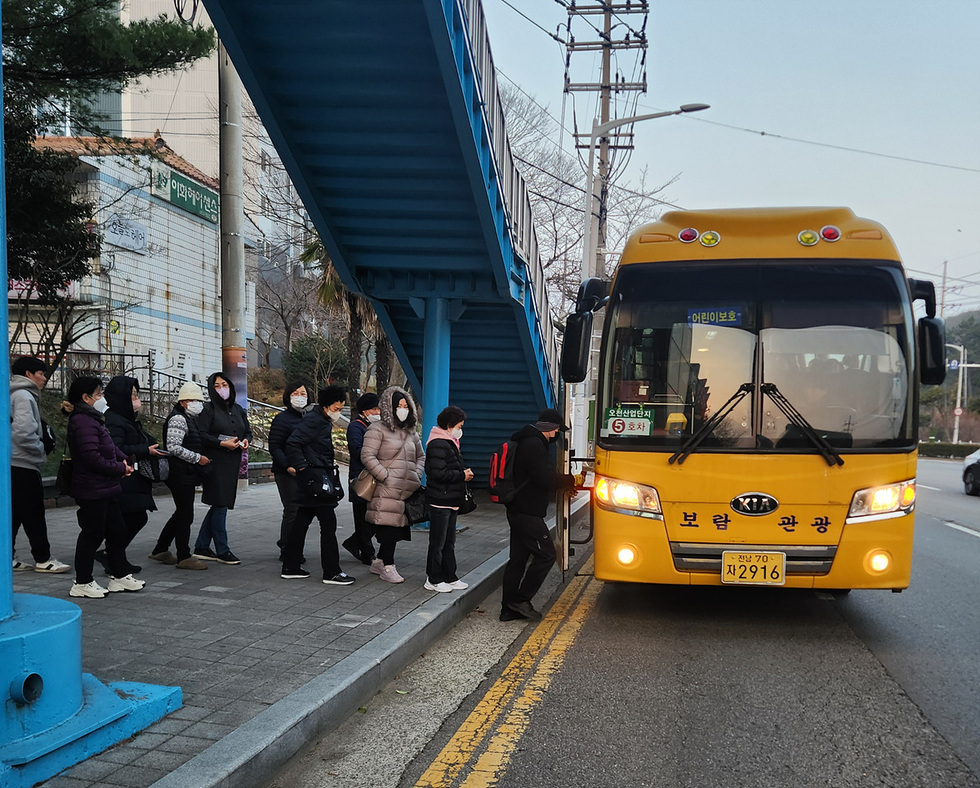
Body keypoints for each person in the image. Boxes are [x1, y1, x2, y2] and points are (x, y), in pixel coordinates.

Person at [64, 376, 144, 598]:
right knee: (92, 534)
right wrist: (120, 468)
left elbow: (109, 446)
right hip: (92, 489)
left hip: (107, 487)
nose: (102, 398)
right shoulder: (81, 420)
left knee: (116, 531)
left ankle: (119, 576)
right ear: (86, 397)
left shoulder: (94, 418)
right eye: (98, 394)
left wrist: (125, 460)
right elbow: (92, 457)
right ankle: (82, 581)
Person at [500, 407, 576, 622]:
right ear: (550, 428)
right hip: (528, 512)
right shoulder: (534, 444)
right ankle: (521, 600)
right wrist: (569, 480)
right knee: (547, 555)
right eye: (556, 431)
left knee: (518, 559)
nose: (556, 436)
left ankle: (508, 609)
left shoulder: (526, 440)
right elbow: (543, 479)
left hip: (518, 509)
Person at [281, 386, 354, 585]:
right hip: (316, 479)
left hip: (313, 479)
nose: (337, 412)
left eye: (340, 408)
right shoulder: (315, 421)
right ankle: (331, 571)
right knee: (328, 525)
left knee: (301, 522)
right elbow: (293, 443)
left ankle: (290, 565)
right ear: (325, 405)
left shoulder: (319, 420)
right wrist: (303, 468)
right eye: (336, 408)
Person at [10, 356, 70, 574]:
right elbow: (24, 432)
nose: (44, 378)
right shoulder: (24, 395)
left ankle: (8, 556)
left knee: (15, 513)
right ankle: (43, 559)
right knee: (34, 513)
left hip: (14, 463)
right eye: (41, 373)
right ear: (28, 374)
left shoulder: (14, 394)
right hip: (24, 463)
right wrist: (40, 451)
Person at [102, 376, 167, 574]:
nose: (136, 400)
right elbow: (116, 447)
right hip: (124, 478)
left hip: (134, 478)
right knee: (132, 518)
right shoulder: (114, 420)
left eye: (137, 395)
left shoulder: (127, 419)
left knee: (133, 518)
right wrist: (145, 450)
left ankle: (114, 557)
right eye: (132, 396)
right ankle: (113, 557)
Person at [360, 385, 424, 584]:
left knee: (396, 526)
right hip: (385, 488)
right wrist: (384, 475)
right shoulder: (377, 429)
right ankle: (388, 565)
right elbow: (367, 455)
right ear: (390, 407)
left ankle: (379, 561)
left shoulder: (412, 433)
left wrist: (416, 473)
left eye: (406, 405)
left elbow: (421, 456)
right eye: (399, 406)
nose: (403, 409)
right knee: (389, 528)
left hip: (405, 490)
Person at [148, 381, 210, 570]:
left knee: (182, 512)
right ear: (184, 402)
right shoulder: (178, 419)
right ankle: (184, 555)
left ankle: (161, 549)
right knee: (186, 514)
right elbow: (173, 447)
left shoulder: (187, 418)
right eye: (194, 400)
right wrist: (197, 458)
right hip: (180, 473)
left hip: (185, 473)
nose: (198, 404)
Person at [193, 372, 252, 565]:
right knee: (220, 504)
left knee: (221, 503)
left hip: (232, 461)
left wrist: (245, 441)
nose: (221, 389)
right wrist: (221, 444)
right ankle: (222, 549)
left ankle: (202, 546)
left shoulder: (237, 409)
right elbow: (202, 434)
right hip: (215, 461)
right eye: (216, 386)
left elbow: (248, 432)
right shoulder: (208, 409)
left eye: (224, 384)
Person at [423, 405, 473, 593]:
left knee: (448, 541)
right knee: (438, 542)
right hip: (440, 499)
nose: (460, 429)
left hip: (449, 499)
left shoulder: (449, 442)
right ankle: (434, 578)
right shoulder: (438, 443)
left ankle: (450, 576)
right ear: (450, 424)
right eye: (459, 426)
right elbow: (437, 473)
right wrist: (462, 475)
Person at [268, 378, 312, 562]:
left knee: (303, 511)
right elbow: (275, 446)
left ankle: (295, 546)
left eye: (303, 394)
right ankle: (287, 547)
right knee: (292, 510)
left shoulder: (310, 418)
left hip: (306, 470)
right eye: (295, 394)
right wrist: (288, 466)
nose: (300, 397)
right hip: (287, 473)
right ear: (288, 397)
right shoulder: (282, 419)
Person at [341, 391, 381, 565]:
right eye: (374, 409)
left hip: (375, 477)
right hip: (361, 479)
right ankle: (367, 552)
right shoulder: (356, 427)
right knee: (362, 517)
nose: (377, 412)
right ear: (365, 411)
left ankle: (354, 542)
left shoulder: (376, 427)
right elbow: (357, 451)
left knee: (373, 517)